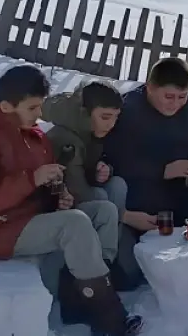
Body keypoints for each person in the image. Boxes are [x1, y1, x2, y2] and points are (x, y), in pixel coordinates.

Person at [0, 65, 142, 336]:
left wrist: (58, 196)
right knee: (74, 224)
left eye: (40, 106)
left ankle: (83, 295)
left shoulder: (32, 136)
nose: (39, 114)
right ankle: (108, 315)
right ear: (6, 106)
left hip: (28, 218)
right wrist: (31, 179)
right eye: (32, 108)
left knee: (104, 211)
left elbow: (42, 183)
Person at [102, 58, 188, 278]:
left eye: (182, 96)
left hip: (182, 188)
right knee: (129, 275)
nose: (175, 104)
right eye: (169, 96)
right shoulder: (129, 110)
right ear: (150, 87)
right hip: (141, 193)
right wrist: (162, 170)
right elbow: (117, 159)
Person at [42, 81, 158, 244]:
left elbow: (90, 166)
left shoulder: (91, 129)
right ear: (85, 113)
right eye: (105, 117)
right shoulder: (67, 139)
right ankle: (100, 251)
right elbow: (77, 191)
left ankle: (111, 247)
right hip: (58, 204)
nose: (111, 124)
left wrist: (101, 170)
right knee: (101, 197)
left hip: (79, 193)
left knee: (117, 185)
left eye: (116, 117)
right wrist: (125, 216)